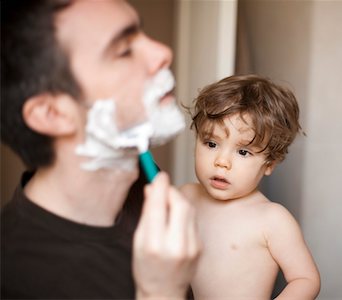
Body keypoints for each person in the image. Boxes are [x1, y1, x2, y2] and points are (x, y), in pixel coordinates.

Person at [1, 0, 200, 299]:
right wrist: (160, 293)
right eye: (123, 49)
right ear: (53, 114)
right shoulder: (12, 277)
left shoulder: (147, 186)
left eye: (141, 34)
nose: (163, 53)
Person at [180, 74, 321, 299]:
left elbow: (306, 279)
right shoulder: (185, 197)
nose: (222, 161)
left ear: (269, 164)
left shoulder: (272, 219)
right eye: (211, 143)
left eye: (243, 151)